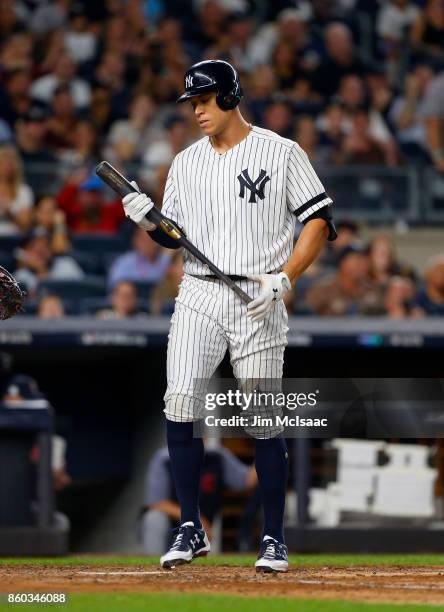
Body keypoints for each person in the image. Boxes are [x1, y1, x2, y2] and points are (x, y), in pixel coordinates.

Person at [121, 60, 336, 572]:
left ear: (231, 97)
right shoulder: (185, 163)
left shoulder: (281, 151)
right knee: (179, 401)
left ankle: (274, 539)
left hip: (259, 293)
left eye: (205, 99)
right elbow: (174, 236)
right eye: (192, 102)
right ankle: (191, 527)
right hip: (198, 290)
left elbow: (320, 219)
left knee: (263, 418)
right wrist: (148, 220)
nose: (196, 110)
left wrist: (286, 277)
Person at [140, 443, 257, 554]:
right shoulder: (165, 458)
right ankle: (154, 563)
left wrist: (266, 451)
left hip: (200, 530)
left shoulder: (216, 456)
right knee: (154, 518)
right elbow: (156, 503)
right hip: (172, 526)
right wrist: (195, 520)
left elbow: (247, 480)